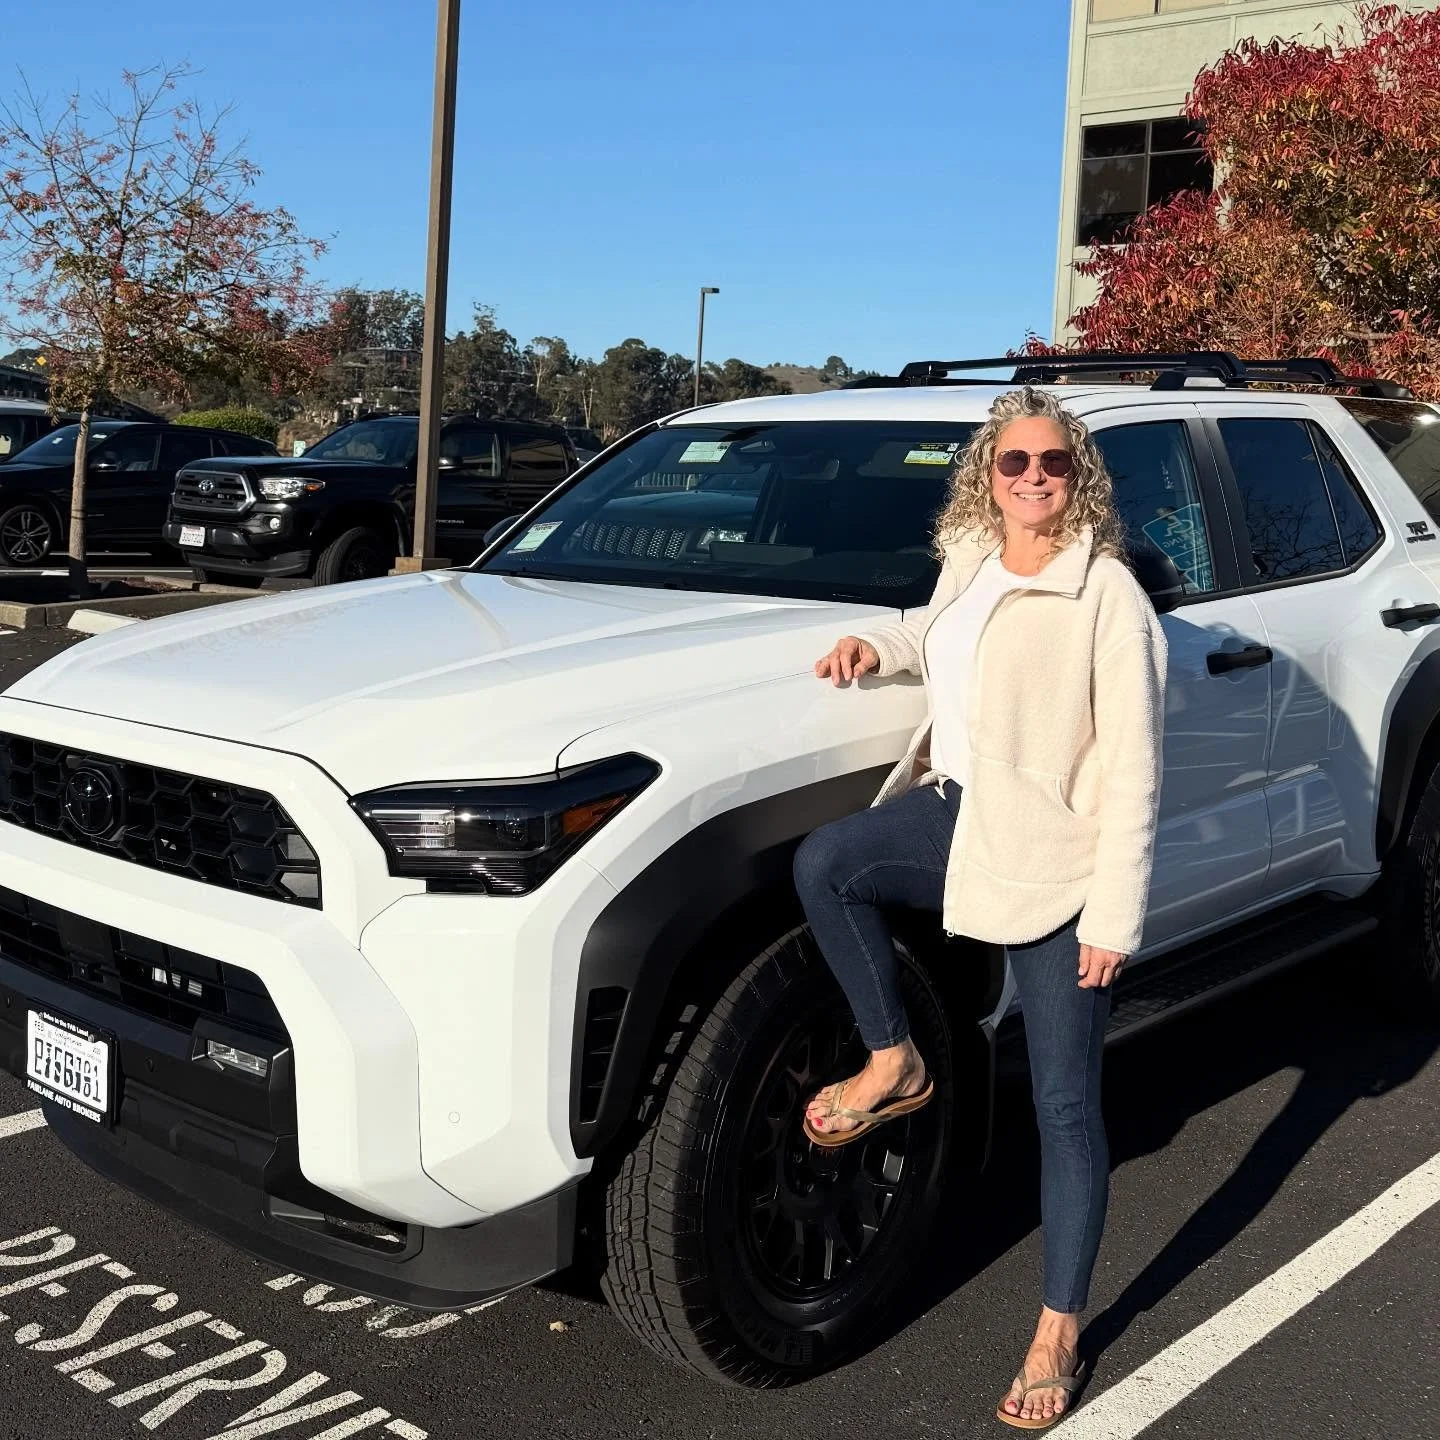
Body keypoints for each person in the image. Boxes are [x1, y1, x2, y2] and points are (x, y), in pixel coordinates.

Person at [794, 387, 1166, 1430]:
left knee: (1062, 1105)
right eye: (1015, 463)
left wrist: (1113, 916)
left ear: (1078, 473)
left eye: (1054, 462)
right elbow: (942, 637)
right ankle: (893, 1058)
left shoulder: (1108, 597)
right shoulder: (972, 554)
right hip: (958, 813)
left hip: (1056, 861)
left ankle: (1058, 1326)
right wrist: (882, 648)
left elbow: (1135, 767)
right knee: (829, 864)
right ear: (988, 475)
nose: (1035, 477)